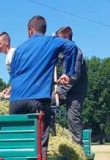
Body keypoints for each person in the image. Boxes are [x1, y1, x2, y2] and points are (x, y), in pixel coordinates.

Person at [8, 15, 78, 150]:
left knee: (18, 145)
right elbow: (71, 47)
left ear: (30, 30)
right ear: (43, 29)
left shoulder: (20, 49)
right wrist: (67, 72)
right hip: (38, 100)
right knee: (39, 147)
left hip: (16, 102)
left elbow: (14, 74)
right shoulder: (50, 42)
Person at [53, 26, 88, 145]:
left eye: (59, 40)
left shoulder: (75, 52)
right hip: (65, 89)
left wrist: (59, 91)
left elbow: (73, 75)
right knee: (46, 104)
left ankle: (77, 146)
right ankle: (51, 138)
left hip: (76, 92)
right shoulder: (64, 53)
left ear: (66, 37)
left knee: (73, 117)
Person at [0, 31, 16, 98]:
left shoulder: (11, 55)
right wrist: (9, 89)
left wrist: (9, 91)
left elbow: (17, 76)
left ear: (6, 42)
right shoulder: (10, 55)